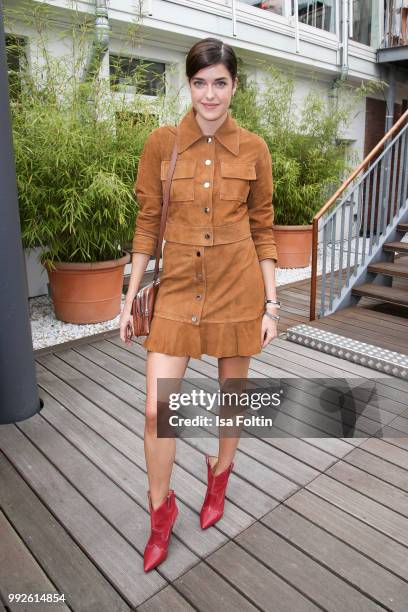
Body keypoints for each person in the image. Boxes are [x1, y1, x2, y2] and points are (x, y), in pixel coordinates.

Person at [119, 37, 279, 573]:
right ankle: (160, 512)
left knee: (232, 397)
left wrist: (272, 305)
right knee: (154, 410)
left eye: (220, 82)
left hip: (239, 288)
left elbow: (264, 230)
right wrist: (128, 299)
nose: (209, 94)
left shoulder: (254, 148)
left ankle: (220, 474)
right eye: (199, 82)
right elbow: (146, 224)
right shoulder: (161, 144)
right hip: (179, 289)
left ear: (234, 86)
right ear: (187, 85)